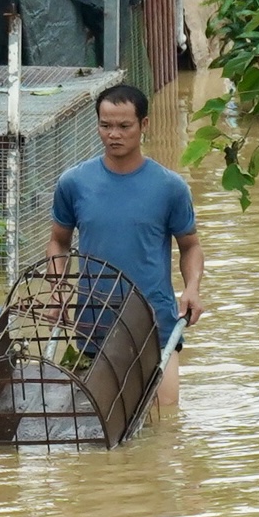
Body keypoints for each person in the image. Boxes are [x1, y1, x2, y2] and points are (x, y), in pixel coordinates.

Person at [45, 84, 204, 405]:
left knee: (165, 422)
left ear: (144, 125)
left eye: (123, 126)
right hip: (94, 322)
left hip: (154, 322)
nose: (113, 135)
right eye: (105, 126)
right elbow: (58, 242)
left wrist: (192, 288)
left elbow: (190, 246)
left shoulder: (170, 188)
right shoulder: (74, 183)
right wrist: (57, 287)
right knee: (100, 424)